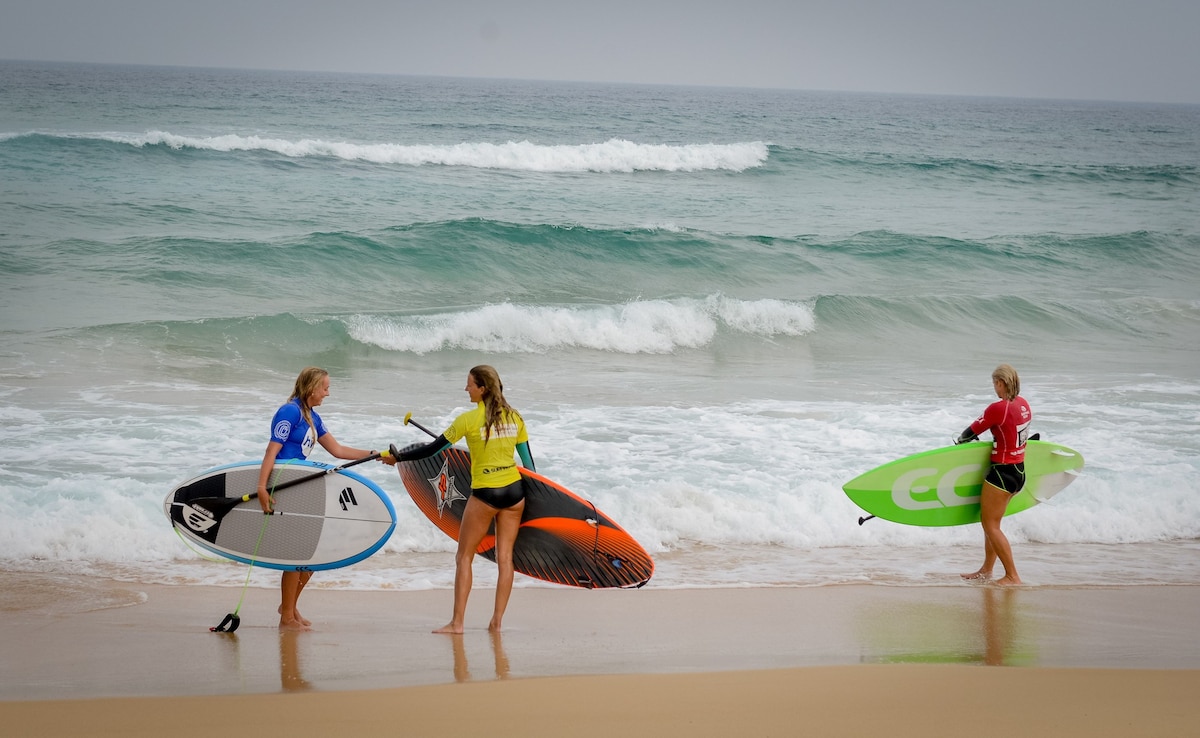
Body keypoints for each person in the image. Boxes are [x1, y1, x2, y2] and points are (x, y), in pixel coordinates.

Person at [385, 365, 535, 633]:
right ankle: (497, 622)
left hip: (486, 494)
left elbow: (433, 450)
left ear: (483, 389)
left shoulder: (467, 420)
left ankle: (457, 623)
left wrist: (399, 458)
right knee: (505, 559)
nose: (466, 389)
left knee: (464, 557)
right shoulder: (516, 418)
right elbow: (530, 466)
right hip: (514, 494)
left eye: (470, 385)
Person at [257, 366, 378, 630]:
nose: (328, 393)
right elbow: (271, 450)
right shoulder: (289, 411)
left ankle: (288, 607)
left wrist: (373, 454)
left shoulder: (312, 417)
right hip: (285, 485)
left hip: (301, 487)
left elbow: (338, 450)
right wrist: (262, 487)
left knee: (311, 555)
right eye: (325, 387)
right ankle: (287, 617)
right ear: (312, 388)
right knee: (298, 552)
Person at [956, 363, 1033, 586]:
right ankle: (987, 570)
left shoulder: (998, 408)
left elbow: (967, 434)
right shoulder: (1024, 405)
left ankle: (1012, 576)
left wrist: (964, 442)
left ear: (1000, 383)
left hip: (1001, 473)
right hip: (1018, 471)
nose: (994, 388)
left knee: (990, 526)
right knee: (992, 523)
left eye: (994, 383)